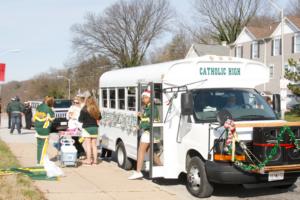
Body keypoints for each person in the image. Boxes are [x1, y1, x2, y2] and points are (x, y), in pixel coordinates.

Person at [128, 90, 161, 180]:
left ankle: (138, 172)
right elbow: (146, 119)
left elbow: (150, 122)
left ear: (150, 98)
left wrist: (139, 126)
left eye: (145, 97)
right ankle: (161, 167)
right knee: (150, 152)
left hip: (149, 132)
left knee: (141, 151)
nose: (143, 99)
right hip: (150, 132)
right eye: (143, 97)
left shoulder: (152, 108)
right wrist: (141, 116)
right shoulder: (148, 107)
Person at [78, 96, 101, 165]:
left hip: (86, 128)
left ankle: (89, 160)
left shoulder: (84, 109)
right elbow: (99, 117)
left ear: (86, 101)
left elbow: (80, 120)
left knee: (88, 145)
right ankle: (95, 161)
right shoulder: (96, 109)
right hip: (95, 128)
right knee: (94, 145)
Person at [34, 96, 55, 165]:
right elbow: (52, 118)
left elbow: (34, 118)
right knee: (43, 147)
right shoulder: (49, 110)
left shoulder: (39, 107)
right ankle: (41, 163)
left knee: (39, 146)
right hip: (45, 130)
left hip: (37, 128)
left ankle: (38, 161)